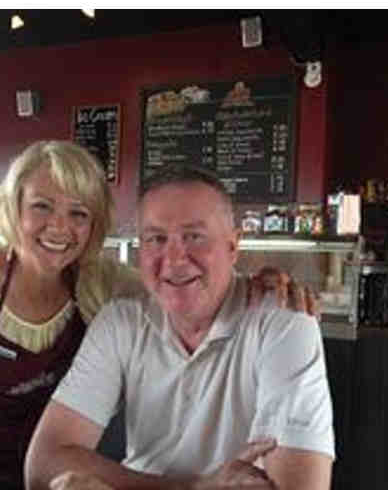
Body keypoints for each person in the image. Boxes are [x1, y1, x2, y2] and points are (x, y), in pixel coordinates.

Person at [0, 141, 316, 489]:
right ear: (14, 208)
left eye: (78, 213)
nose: (59, 227)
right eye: (42, 206)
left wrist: (258, 283)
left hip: (70, 481)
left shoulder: (101, 282)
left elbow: (179, 281)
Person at [25, 163, 335, 490]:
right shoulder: (122, 321)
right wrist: (197, 488)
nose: (173, 259)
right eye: (156, 239)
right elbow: (43, 466)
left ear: (233, 247)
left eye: (194, 237)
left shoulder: (284, 323)